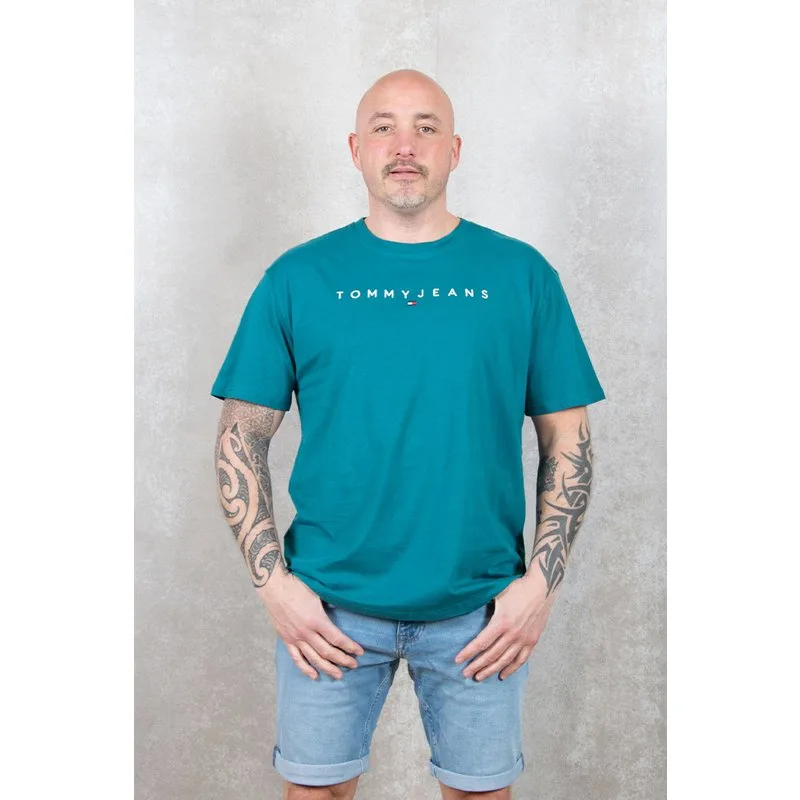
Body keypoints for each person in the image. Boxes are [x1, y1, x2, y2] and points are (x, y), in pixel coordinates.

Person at [212, 68, 606, 800]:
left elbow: (569, 442)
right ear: (355, 148)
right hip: (327, 608)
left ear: (454, 150)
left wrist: (540, 588)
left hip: (481, 610)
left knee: (481, 796)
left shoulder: (521, 275)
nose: (404, 145)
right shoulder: (297, 278)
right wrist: (276, 589)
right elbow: (240, 438)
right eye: (385, 127)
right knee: (316, 794)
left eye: (426, 127)